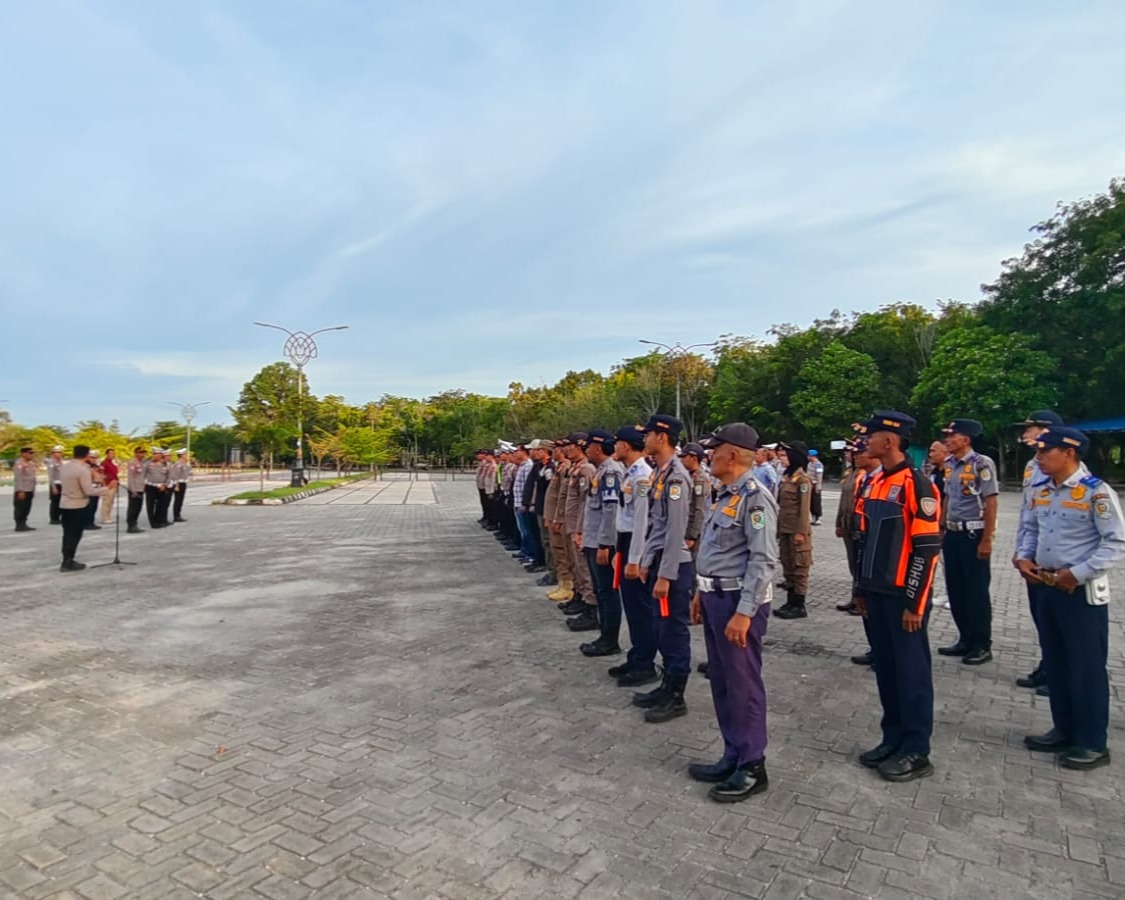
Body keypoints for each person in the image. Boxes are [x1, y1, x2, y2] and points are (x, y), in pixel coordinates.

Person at [1016, 426, 1125, 771]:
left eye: (1045, 451)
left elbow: (1116, 542)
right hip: (1045, 585)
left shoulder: (1096, 493)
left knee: (1086, 667)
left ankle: (1092, 742)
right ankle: (1063, 730)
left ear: (1069, 453)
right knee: (1057, 662)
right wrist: (1022, 557)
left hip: (1078, 591)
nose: (1039, 457)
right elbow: (1030, 528)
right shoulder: (1041, 490)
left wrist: (1077, 573)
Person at [687, 423, 779, 802]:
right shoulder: (725, 494)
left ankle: (753, 764)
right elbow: (714, 553)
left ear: (732, 454)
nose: (709, 455)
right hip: (714, 598)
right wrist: (699, 591)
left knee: (743, 685)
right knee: (723, 682)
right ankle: (733, 753)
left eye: (714, 449)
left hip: (739, 602)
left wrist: (744, 612)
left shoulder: (755, 498)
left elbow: (763, 560)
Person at [852, 411, 941, 782]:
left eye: (871, 436)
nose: (865, 442)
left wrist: (915, 604)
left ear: (889, 441)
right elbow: (861, 541)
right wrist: (859, 590)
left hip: (904, 598)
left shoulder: (916, 485)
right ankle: (893, 738)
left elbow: (927, 549)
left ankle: (916, 749)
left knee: (912, 674)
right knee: (887, 671)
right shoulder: (872, 482)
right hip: (875, 594)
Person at [636, 414, 695, 723]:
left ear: (662, 436)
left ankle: (676, 695)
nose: (644, 438)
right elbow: (655, 526)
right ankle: (665, 684)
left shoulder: (676, 477)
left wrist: (665, 574)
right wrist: (647, 561)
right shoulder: (661, 473)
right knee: (661, 628)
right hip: (659, 560)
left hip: (673, 565)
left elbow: (674, 530)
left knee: (673, 630)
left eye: (647, 434)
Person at [1012, 410, 1069, 696]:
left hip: (1056, 559)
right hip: (1033, 552)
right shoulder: (1034, 465)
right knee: (1041, 615)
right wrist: (1022, 550)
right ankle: (1048, 666)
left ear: (1046, 431)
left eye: (1030, 428)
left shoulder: (1063, 471)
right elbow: (1028, 514)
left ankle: (1058, 672)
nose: (1025, 433)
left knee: (1059, 620)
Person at [937, 419, 999, 666]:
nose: (948, 440)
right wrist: (941, 526)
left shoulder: (982, 463)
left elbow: (991, 502)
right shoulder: (950, 464)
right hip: (953, 534)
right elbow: (948, 498)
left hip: (974, 534)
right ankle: (965, 637)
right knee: (956, 589)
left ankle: (982, 644)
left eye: (953, 436)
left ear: (966, 439)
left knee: (976, 592)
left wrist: (987, 540)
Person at [608, 425, 657, 687]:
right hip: (625, 541)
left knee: (640, 608)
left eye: (617, 443)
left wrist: (635, 558)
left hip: (636, 543)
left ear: (625, 446)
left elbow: (641, 520)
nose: (614, 447)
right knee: (632, 606)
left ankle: (645, 663)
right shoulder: (631, 473)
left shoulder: (641, 476)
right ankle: (637, 654)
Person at [578, 430, 625, 657]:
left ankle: (610, 639)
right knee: (600, 590)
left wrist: (606, 544)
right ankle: (604, 636)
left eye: (588, 446)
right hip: (593, 539)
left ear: (597, 448)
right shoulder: (602, 471)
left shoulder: (611, 473)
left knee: (607, 592)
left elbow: (611, 510)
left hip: (602, 543)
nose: (586, 450)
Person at [773, 441, 813, 620]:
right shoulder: (788, 477)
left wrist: (801, 532)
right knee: (788, 567)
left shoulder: (803, 480)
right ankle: (790, 601)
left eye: (785, 455)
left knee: (799, 569)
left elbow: (804, 509)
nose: (782, 458)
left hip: (797, 532)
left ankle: (799, 604)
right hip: (785, 530)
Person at [562, 434, 597, 628]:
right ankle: (581, 598)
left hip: (580, 527)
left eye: (571, 446)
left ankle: (591, 608)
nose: (567, 450)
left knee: (585, 569)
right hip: (573, 525)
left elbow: (586, 502)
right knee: (576, 566)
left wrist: (580, 530)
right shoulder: (576, 468)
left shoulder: (586, 469)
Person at [58, 445, 106, 571]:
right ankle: (67, 562)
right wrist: (107, 488)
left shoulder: (66, 466)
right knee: (74, 534)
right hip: (77, 505)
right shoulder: (82, 470)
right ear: (86, 455)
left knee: (67, 534)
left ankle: (66, 558)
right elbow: (89, 490)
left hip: (64, 504)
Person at [546, 443, 575, 602]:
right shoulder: (561, 468)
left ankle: (568, 585)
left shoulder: (568, 469)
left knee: (565, 553)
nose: (556, 452)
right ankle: (563, 583)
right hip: (556, 516)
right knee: (557, 550)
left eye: (559, 449)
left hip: (563, 518)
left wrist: (559, 517)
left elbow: (566, 498)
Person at [680, 442, 711, 560]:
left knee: (692, 564)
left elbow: (700, 508)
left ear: (693, 458)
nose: (682, 460)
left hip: (694, 530)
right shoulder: (689, 476)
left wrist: (692, 536)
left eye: (684, 457)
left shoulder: (700, 479)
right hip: (686, 526)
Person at [145, 448, 172, 529]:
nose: (154, 456)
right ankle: (153, 523)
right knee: (150, 505)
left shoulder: (166, 464)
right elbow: (143, 475)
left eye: (156, 454)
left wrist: (165, 485)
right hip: (151, 486)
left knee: (161, 505)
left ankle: (160, 520)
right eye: (153, 454)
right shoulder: (148, 464)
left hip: (162, 487)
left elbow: (169, 476)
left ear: (161, 455)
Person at [12, 446, 37, 531]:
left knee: (27, 507)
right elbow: (18, 477)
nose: (31, 455)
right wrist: (20, 490)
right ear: (23, 453)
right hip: (23, 490)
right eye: (30, 453)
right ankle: (19, 524)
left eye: (32, 453)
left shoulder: (31, 463)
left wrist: (33, 490)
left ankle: (24, 523)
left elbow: (33, 477)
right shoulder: (19, 463)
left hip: (29, 489)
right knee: (20, 508)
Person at [125, 446, 148, 534]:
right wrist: (133, 490)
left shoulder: (143, 463)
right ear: (136, 453)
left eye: (144, 452)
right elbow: (131, 477)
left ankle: (134, 523)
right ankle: (131, 525)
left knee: (138, 507)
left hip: (141, 488)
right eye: (141, 452)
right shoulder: (132, 462)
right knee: (133, 508)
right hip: (134, 489)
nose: (143, 454)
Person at [84, 450, 104, 530]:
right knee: (89, 506)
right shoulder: (85, 466)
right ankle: (87, 523)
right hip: (89, 487)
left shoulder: (96, 466)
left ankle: (91, 522)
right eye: (92, 457)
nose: (94, 459)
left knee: (94, 506)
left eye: (95, 458)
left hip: (96, 487)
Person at [100, 448, 119, 525]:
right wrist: (104, 484)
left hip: (114, 483)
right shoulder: (104, 463)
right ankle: (105, 517)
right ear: (107, 454)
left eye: (113, 453)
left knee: (111, 501)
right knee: (106, 501)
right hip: (108, 484)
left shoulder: (112, 463)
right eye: (110, 453)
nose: (112, 455)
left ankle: (108, 516)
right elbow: (102, 474)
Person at [171, 449, 192, 523]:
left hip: (183, 483)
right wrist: (176, 485)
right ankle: (176, 516)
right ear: (181, 455)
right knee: (177, 500)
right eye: (186, 454)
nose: (187, 456)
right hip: (178, 483)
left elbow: (189, 472)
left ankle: (178, 515)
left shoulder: (186, 463)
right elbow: (175, 475)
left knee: (180, 500)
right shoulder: (178, 464)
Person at [47, 444, 64, 525]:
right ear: (53, 453)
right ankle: (53, 518)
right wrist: (53, 487)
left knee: (60, 501)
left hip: (62, 484)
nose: (60, 454)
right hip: (55, 484)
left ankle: (59, 517)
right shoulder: (51, 462)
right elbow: (50, 476)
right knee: (55, 502)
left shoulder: (62, 462)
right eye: (57, 452)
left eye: (60, 452)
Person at [808, 449, 824, 525]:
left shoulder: (818, 464)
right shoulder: (810, 464)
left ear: (813, 456)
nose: (808, 457)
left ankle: (818, 517)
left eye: (809, 455)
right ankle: (813, 516)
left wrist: (818, 486)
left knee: (816, 502)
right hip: (810, 484)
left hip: (815, 484)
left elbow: (819, 476)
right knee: (810, 502)